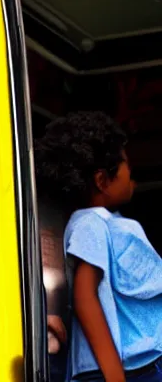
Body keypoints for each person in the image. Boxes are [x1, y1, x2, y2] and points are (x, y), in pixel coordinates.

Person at [35, 111, 162, 382]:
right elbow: (84, 296)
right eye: (127, 167)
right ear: (102, 180)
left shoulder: (101, 222)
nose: (132, 177)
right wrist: (115, 375)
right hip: (128, 371)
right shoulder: (90, 223)